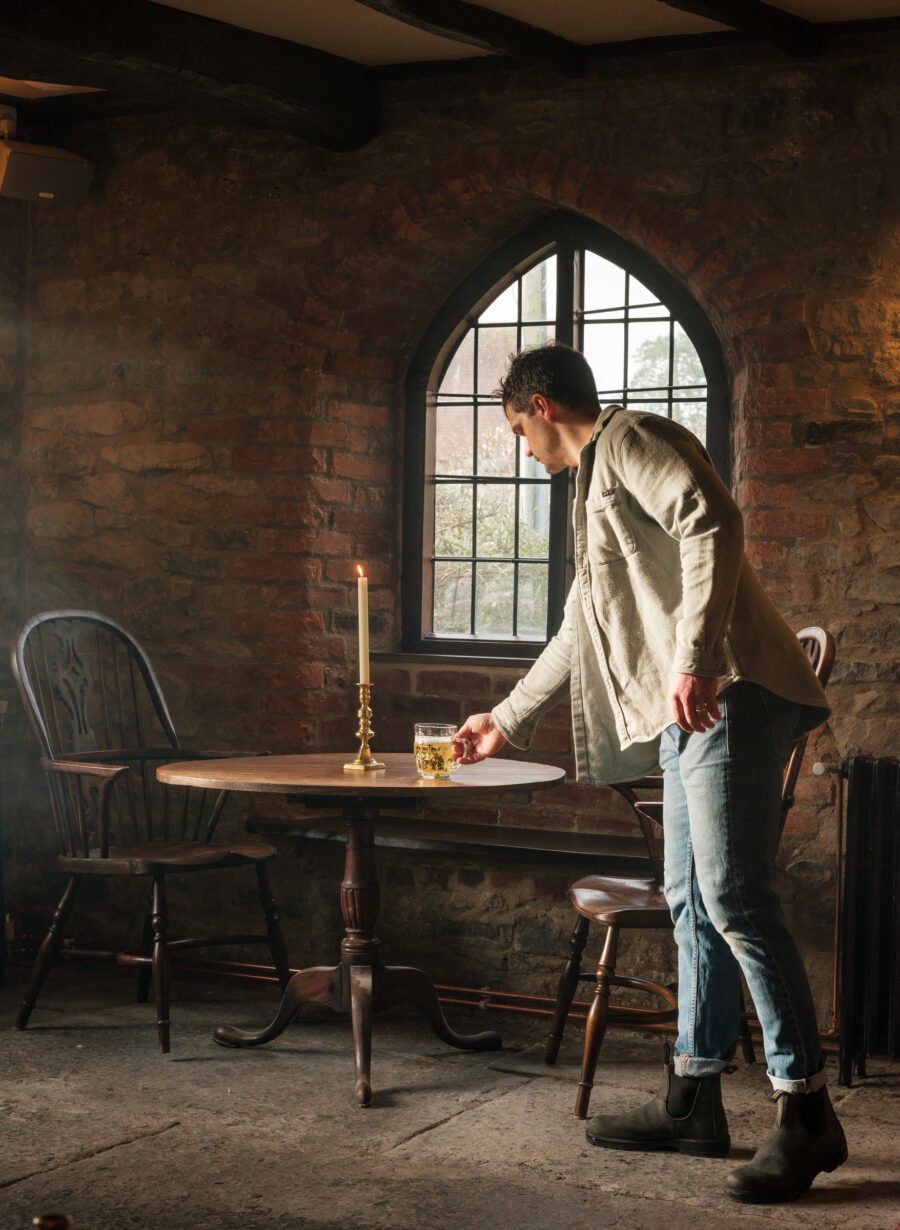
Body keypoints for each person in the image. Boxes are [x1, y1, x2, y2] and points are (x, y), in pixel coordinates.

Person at [453, 341, 847, 1204]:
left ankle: (808, 1112)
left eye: (517, 430)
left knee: (735, 897)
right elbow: (579, 629)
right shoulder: (592, 487)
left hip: (727, 693)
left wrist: (695, 657)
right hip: (691, 712)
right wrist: (504, 720)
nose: (522, 448)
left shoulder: (630, 438)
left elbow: (713, 521)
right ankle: (692, 1101)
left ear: (541, 408)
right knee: (693, 905)